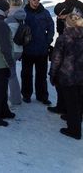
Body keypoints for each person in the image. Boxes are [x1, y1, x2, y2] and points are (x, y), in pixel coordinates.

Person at [49, 10, 83, 140]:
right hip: (80, 75)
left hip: (68, 75)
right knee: (79, 100)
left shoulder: (63, 39)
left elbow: (56, 58)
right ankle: (76, 119)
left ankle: (74, 129)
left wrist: (52, 74)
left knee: (72, 103)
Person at [21, 0, 55, 105]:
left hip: (42, 50)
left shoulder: (44, 12)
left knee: (41, 75)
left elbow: (51, 27)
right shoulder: (23, 12)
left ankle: (42, 96)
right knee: (26, 74)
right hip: (27, 50)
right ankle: (26, 94)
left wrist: (48, 41)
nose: (36, 1)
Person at [5, 0, 26, 106]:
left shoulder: (9, 18)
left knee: (9, 75)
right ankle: (16, 97)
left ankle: (15, 98)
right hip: (20, 49)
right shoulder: (22, 15)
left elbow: (7, 36)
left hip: (11, 50)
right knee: (12, 74)